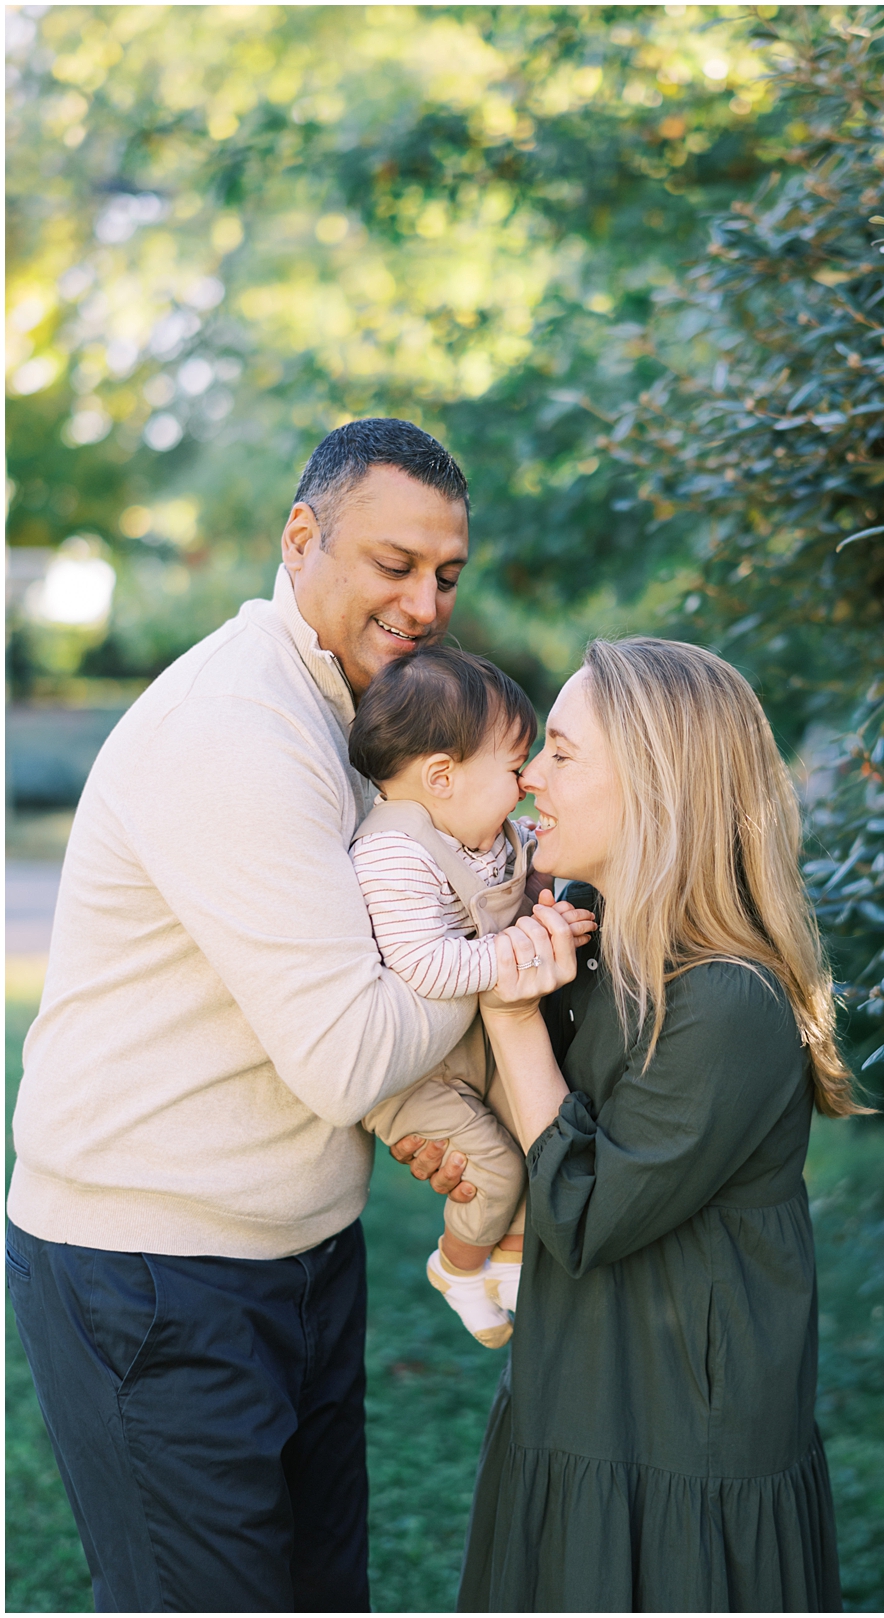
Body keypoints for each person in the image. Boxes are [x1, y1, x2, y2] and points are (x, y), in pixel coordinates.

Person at [6, 418, 487, 1614]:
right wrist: (501, 961)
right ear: (300, 536)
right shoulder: (241, 725)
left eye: (445, 574)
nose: (425, 601)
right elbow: (347, 1051)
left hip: (298, 1255)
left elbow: (368, 963)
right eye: (393, 564)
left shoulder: (351, 711)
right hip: (157, 1272)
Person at [454, 636, 859, 1614]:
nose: (529, 775)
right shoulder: (589, 946)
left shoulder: (727, 1001)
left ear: (658, 789)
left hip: (679, 1444)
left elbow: (586, 1213)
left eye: (560, 751)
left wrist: (510, 1017)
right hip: (572, 1400)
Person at [348, 644, 596, 1348]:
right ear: (442, 776)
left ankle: (513, 1262)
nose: (525, 785)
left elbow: (525, 878)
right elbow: (426, 966)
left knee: (530, 1127)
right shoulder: (394, 853)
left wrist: (551, 909)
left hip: (470, 1041)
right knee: (491, 1167)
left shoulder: (484, 834)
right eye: (514, 768)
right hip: (414, 1071)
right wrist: (520, 948)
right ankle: (457, 1267)